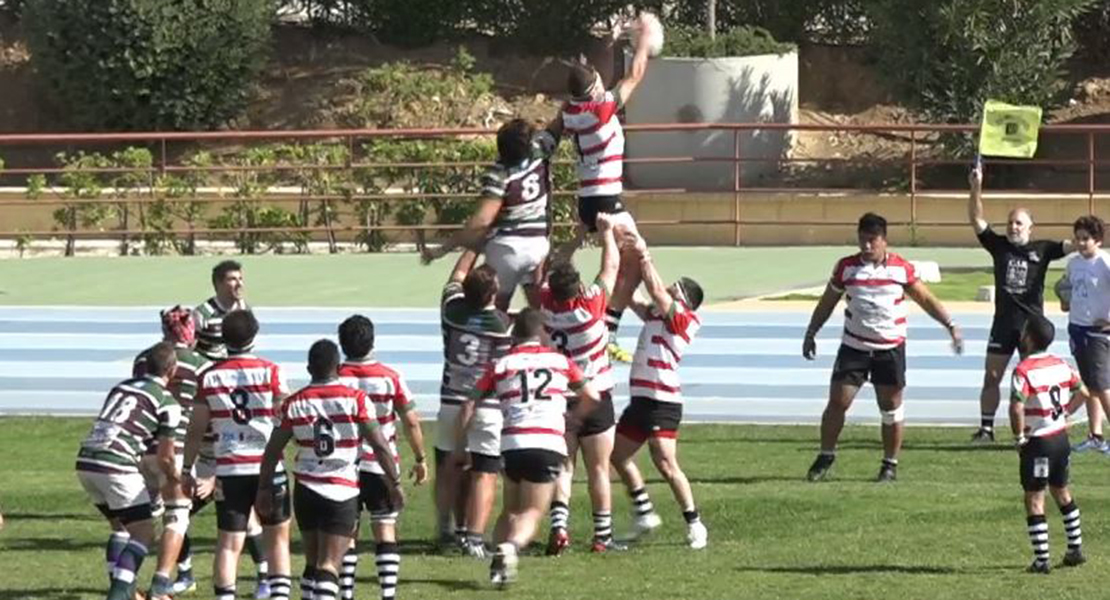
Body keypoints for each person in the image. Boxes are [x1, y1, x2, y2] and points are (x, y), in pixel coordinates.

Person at [803, 212, 964, 483]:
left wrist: (950, 325)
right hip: (854, 348)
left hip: (889, 349)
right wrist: (811, 332)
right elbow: (827, 301)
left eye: (872, 240)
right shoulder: (846, 268)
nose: (866, 246)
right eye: (862, 240)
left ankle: (889, 464)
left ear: (884, 241)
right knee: (837, 403)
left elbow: (925, 299)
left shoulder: (900, 268)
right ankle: (826, 454)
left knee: (890, 408)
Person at [455, 308, 600, 587]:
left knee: (510, 508)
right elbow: (591, 395)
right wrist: (573, 419)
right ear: (542, 332)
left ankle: (497, 565)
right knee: (532, 511)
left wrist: (462, 443)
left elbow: (469, 403)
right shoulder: (559, 361)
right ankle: (510, 548)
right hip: (546, 441)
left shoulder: (501, 364)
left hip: (511, 442)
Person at [258, 340, 406, 600]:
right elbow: (380, 446)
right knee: (329, 567)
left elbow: (272, 451)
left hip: (306, 489)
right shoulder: (356, 400)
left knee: (312, 563)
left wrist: (264, 487)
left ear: (308, 368)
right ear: (338, 367)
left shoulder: (295, 403)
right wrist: (394, 482)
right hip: (341, 491)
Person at [558, 12, 655, 363]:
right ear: (595, 89)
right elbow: (635, 75)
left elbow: (596, 79)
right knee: (636, 260)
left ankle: (599, 317)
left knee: (617, 262)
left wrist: (611, 40)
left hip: (587, 197)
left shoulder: (572, 111)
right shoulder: (602, 108)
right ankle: (607, 329)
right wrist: (643, 41)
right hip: (605, 198)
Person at [183, 310, 293, 600]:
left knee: (229, 543)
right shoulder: (272, 371)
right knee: (277, 541)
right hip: (267, 467)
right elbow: (285, 417)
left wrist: (186, 468)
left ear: (223, 338)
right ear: (254, 335)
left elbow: (195, 430)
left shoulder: (208, 377)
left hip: (230, 470)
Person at [608, 232, 708, 549]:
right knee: (617, 455)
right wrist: (626, 263)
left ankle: (694, 523)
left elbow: (654, 289)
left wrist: (645, 255)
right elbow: (633, 295)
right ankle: (643, 512)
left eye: (674, 290)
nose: (666, 289)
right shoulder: (656, 313)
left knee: (665, 464)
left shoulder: (685, 320)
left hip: (662, 401)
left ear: (685, 301)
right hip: (641, 399)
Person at [536, 213, 623, 554]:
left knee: (565, 466)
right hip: (597, 393)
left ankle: (559, 527)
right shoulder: (590, 307)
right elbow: (611, 268)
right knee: (599, 469)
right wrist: (606, 234)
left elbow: (552, 266)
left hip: (562, 396)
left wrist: (574, 238)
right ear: (577, 289)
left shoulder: (544, 306)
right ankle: (602, 537)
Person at [967, 162, 1069, 442]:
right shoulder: (999, 246)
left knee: (1032, 382)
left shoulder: (1043, 249)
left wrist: (1090, 241)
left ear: (1030, 227)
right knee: (992, 377)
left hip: (1031, 329)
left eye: (1019, 223)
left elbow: (1074, 245)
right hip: (1003, 324)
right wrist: (976, 188)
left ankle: (1035, 427)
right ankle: (986, 428)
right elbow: (976, 219)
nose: (1013, 227)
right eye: (1010, 223)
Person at [75, 342, 182, 600]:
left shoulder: (120, 387)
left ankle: (125, 589)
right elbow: (165, 456)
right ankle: (119, 593)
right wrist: (176, 479)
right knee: (144, 531)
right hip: (116, 464)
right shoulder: (168, 402)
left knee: (121, 527)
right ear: (173, 369)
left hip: (86, 461)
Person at [421, 118, 560, 310]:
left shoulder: (499, 174)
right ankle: (542, 339)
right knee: (540, 312)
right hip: (538, 246)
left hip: (508, 250)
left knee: (495, 310)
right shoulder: (540, 150)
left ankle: (493, 338)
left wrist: (443, 249)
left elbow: (482, 222)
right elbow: (557, 126)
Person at [336, 315, 429, 600]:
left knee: (347, 534)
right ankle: (387, 594)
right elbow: (411, 421)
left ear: (342, 344)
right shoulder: (390, 376)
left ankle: (346, 594)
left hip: (345, 465)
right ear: (372, 341)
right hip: (381, 464)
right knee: (384, 527)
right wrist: (420, 457)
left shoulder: (336, 376)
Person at [433, 250, 512, 555]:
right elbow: (502, 367)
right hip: (487, 406)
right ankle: (475, 538)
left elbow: (454, 278)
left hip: (451, 399)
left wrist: (473, 246)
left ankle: (446, 527)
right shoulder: (501, 323)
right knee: (485, 472)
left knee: (447, 468)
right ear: (493, 293)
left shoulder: (451, 310)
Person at [132, 308, 213, 600]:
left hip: (142, 448)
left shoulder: (144, 358)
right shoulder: (203, 364)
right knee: (178, 516)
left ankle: (126, 580)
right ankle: (161, 585)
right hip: (175, 448)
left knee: (143, 518)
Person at [1008, 315, 1088, 573]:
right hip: (1060, 438)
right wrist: (1065, 413)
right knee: (1061, 491)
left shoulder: (1023, 370)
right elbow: (1083, 392)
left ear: (1028, 337)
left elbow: (1016, 406)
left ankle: (1042, 559)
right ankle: (1075, 548)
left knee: (1034, 498)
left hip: (1039, 442)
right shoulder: (1060, 363)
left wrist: (1019, 437)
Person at [1059, 215, 1110, 453]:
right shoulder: (1073, 263)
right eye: (1077, 238)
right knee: (1089, 383)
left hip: (1098, 331)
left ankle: (1069, 418)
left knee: (1101, 385)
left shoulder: (1105, 264)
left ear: (1098, 240)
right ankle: (1096, 435)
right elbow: (1067, 288)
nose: (1080, 243)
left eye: (1086, 239)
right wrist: (1065, 299)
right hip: (1077, 327)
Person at [194, 260, 249, 360]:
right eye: (233, 279)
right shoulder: (203, 314)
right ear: (219, 283)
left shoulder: (245, 310)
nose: (239, 284)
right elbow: (190, 349)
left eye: (240, 279)